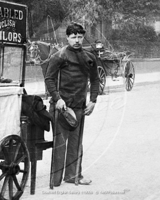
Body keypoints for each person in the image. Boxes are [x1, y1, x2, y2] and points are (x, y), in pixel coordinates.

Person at [45, 22, 100, 186]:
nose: (77, 40)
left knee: (76, 144)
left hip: (80, 107)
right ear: (67, 38)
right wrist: (57, 98)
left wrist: (93, 100)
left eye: (80, 37)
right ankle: (55, 180)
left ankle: (72, 176)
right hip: (62, 108)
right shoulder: (59, 56)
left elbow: (95, 79)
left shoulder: (89, 57)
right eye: (73, 37)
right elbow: (49, 79)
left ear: (83, 37)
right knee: (60, 144)